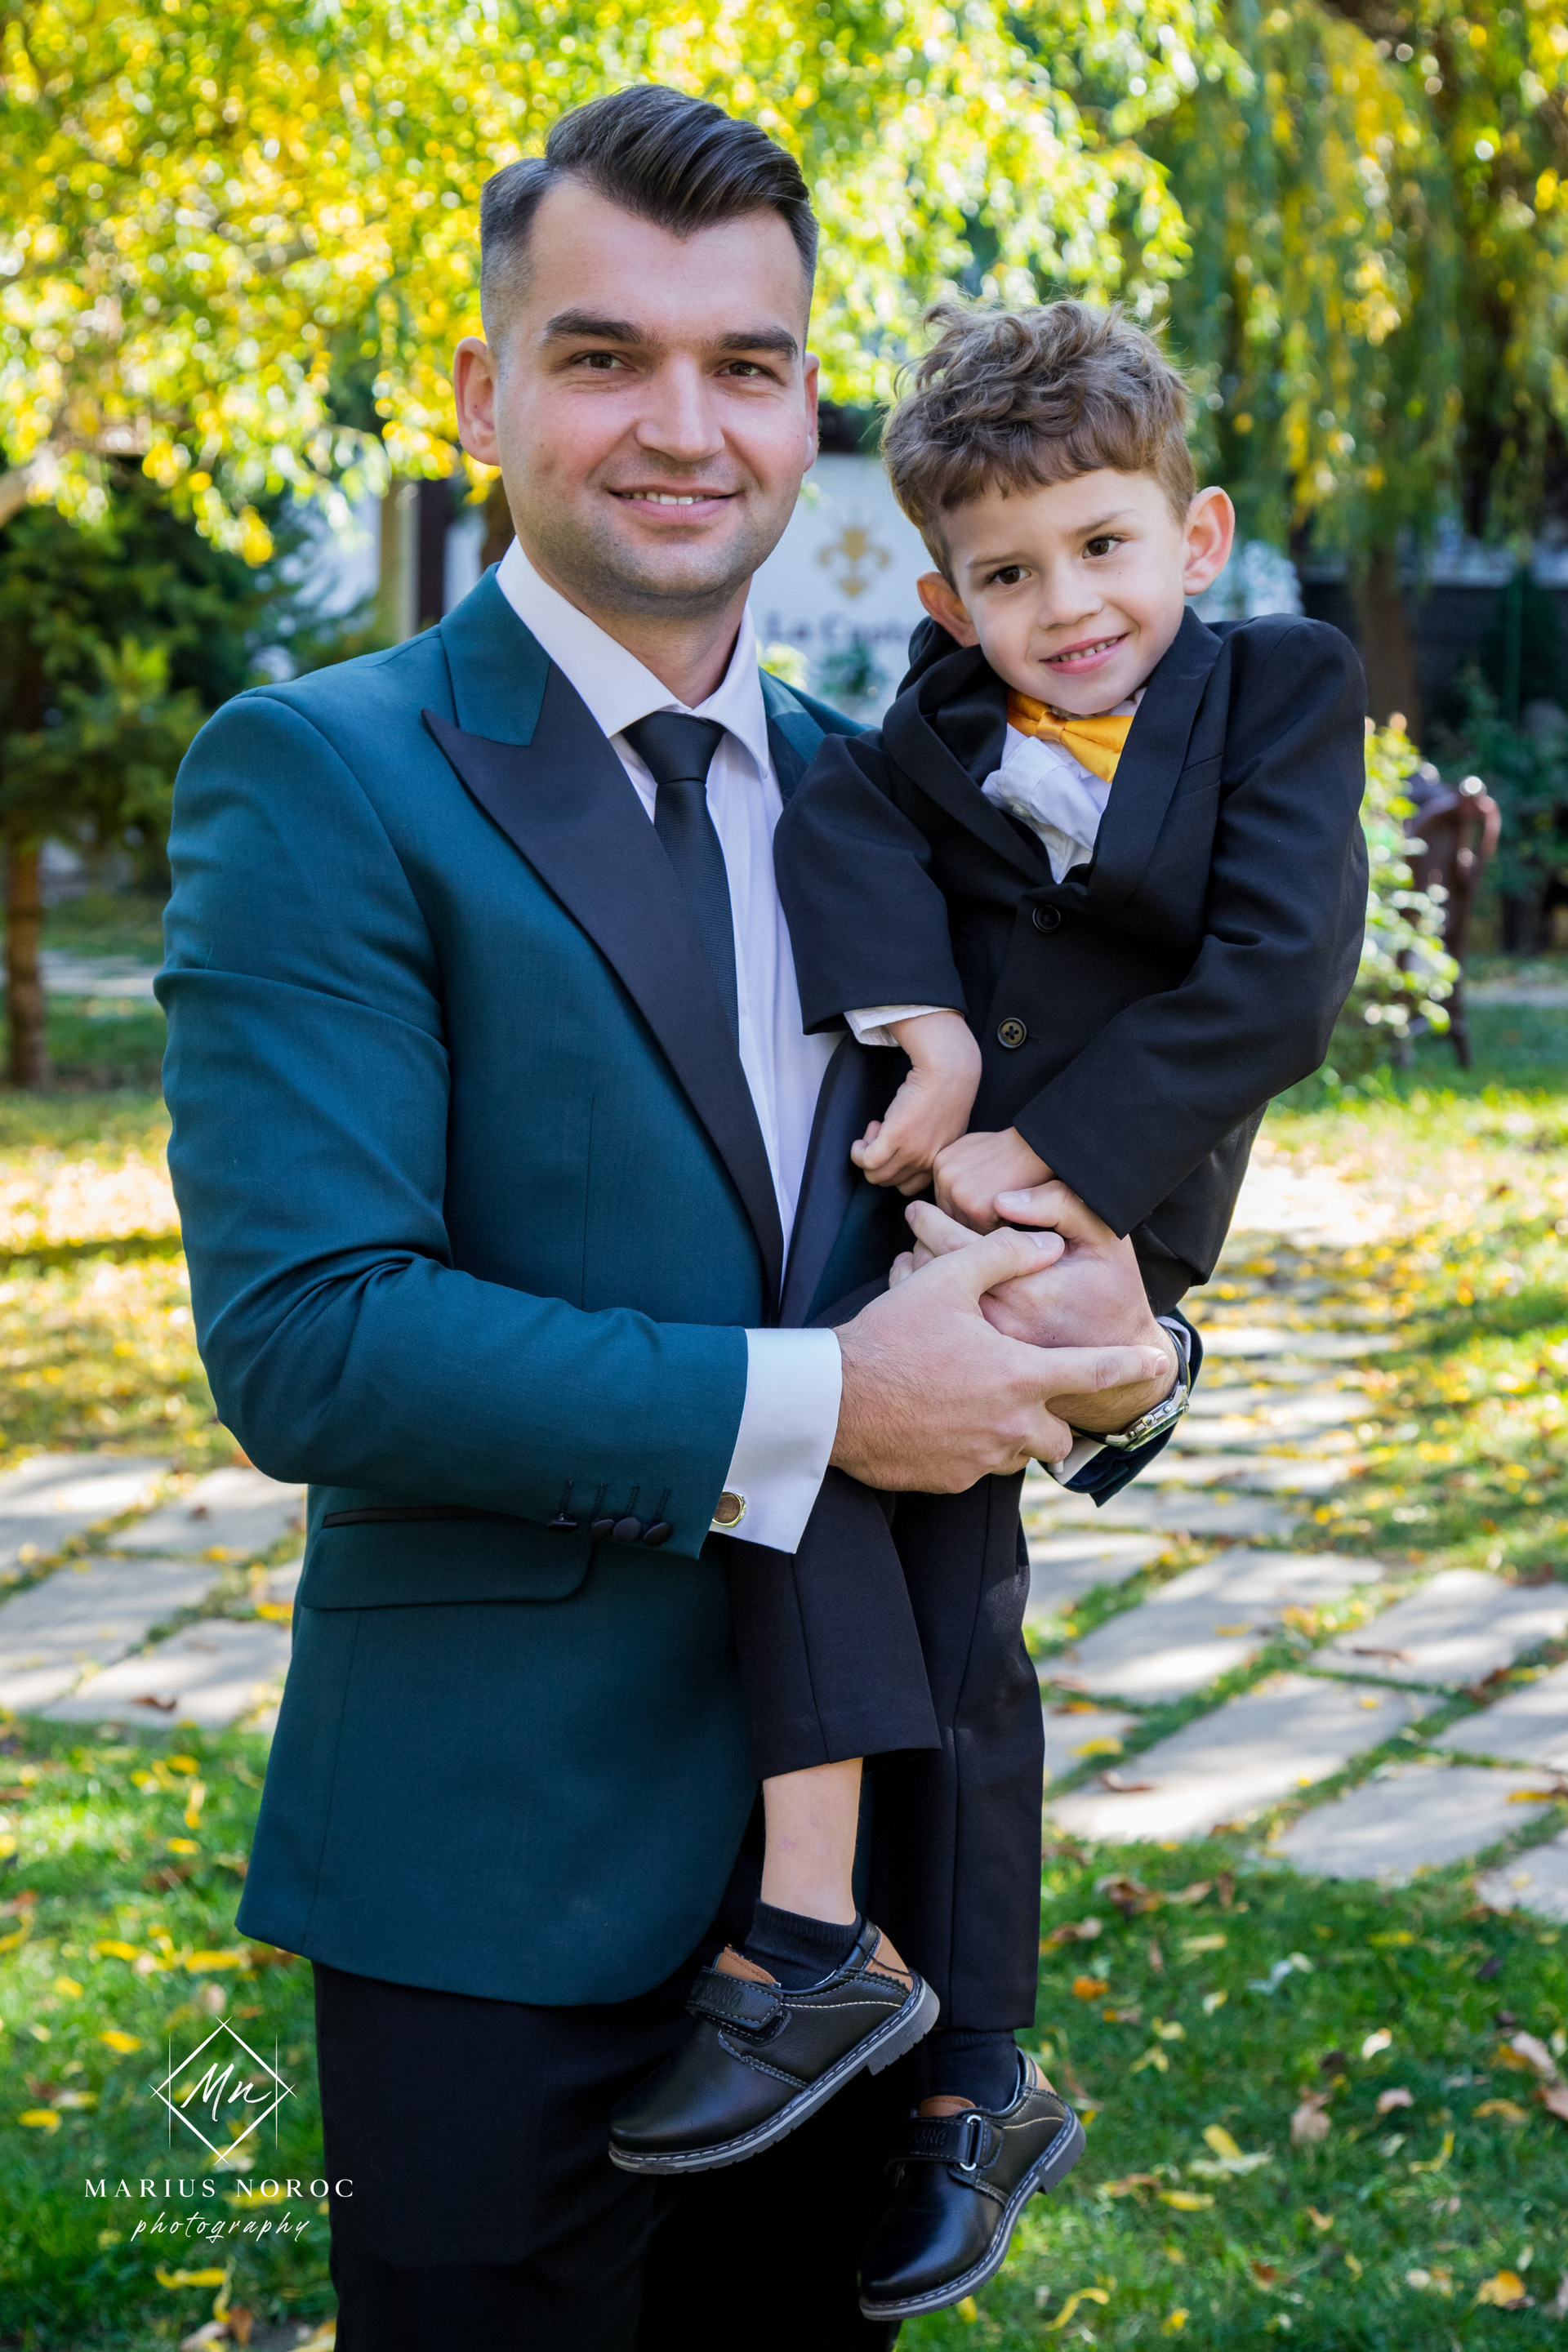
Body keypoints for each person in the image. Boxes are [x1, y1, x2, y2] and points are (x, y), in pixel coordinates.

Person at [159, 92, 1186, 2350]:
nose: (685, 427)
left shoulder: (899, 792)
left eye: (748, 365)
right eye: (606, 355)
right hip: (496, 1867)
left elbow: (1050, 1192)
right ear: (482, 394)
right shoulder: (324, 774)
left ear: (811, 405)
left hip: (867, 1882)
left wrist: (1132, 1357)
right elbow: (313, 1336)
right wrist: (829, 1404)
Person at [617, 299, 1371, 2319]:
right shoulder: (931, 729)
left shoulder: (1282, 691)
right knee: (841, 1475)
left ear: (1197, 535)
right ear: (949, 602)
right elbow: (849, 828)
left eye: (1106, 547)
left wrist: (1047, 1173)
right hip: (942, 1187)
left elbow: (1278, 982)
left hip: (1106, 1196)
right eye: (1011, 576)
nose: (1070, 606)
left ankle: (854, 1977)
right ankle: (943, 2050)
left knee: (851, 1479)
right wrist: (929, 1037)